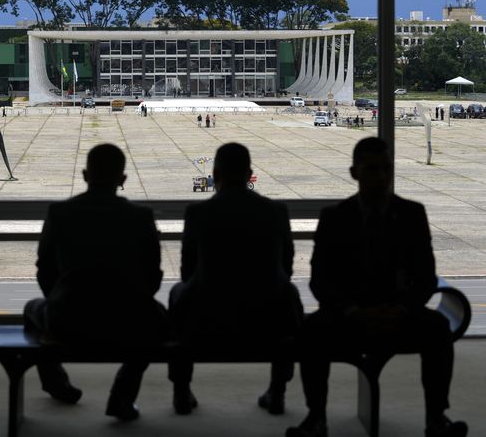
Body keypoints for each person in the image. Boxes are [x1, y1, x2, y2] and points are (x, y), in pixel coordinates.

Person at [286, 137, 467, 437]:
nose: (381, 177)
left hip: (396, 314)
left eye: (386, 169)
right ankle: (316, 417)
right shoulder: (335, 217)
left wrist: (400, 309)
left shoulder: (412, 214)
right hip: (351, 315)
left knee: (437, 328)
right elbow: (320, 280)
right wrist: (352, 311)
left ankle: (436, 419)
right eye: (372, 170)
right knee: (311, 331)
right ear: (354, 173)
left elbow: (425, 276)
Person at [24, 143, 169, 421]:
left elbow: (44, 271)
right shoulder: (141, 217)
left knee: (32, 309)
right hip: (129, 321)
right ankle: (122, 395)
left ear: (84, 175)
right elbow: (153, 276)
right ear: (122, 180)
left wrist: (58, 299)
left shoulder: (59, 213)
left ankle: (55, 382)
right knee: (158, 320)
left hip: (68, 318)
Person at [169, 143, 302, 416]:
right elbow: (286, 268)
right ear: (250, 174)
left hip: (208, 318)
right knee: (289, 294)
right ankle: (278, 390)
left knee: (177, 294)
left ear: (215, 173)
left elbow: (186, 272)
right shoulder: (276, 211)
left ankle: (181, 390)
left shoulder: (198, 213)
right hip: (266, 318)